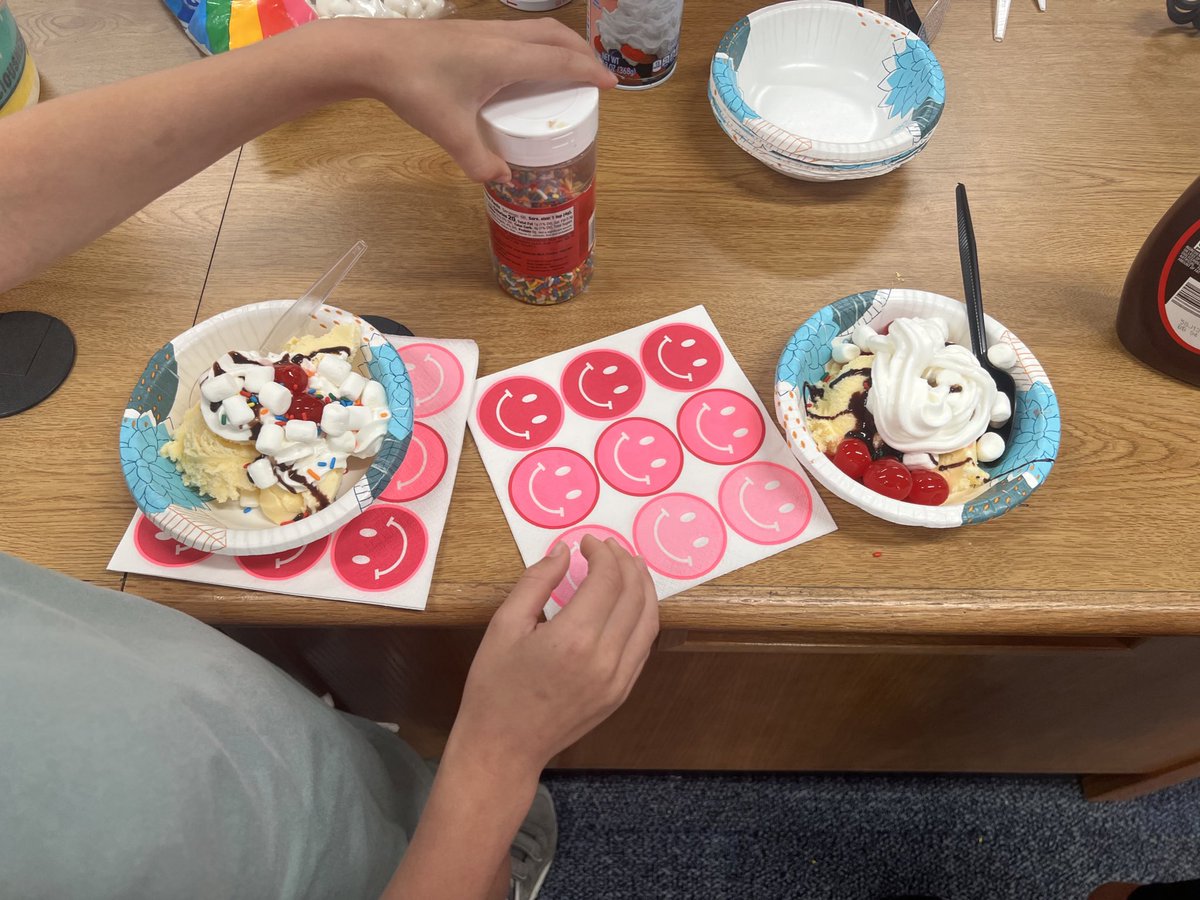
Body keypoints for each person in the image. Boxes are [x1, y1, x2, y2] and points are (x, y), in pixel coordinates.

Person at [0, 17, 656, 900]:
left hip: (277, 755)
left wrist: (350, 55)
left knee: (354, 783)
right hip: (376, 864)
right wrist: (496, 758)